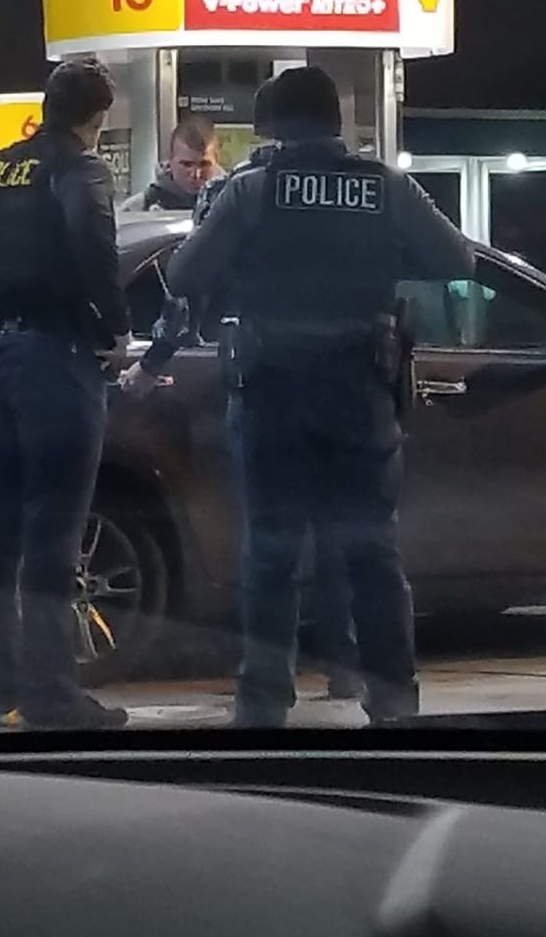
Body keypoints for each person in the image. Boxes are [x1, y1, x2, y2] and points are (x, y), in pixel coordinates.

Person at [165, 66, 472, 728]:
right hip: (358, 390)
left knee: (272, 552)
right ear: (336, 122)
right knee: (371, 549)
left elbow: (185, 272)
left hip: (272, 391)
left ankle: (264, 703)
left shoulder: (252, 190)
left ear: (273, 127)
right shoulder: (384, 186)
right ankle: (393, 698)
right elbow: (458, 261)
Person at [121, 77, 362, 701]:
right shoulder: (368, 187)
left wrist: (155, 364)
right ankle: (352, 667)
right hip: (350, 382)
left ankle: (269, 679)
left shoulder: (238, 195)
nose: (198, 173)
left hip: (267, 378)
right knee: (344, 533)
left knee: (272, 536)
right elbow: (445, 262)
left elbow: (186, 288)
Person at [0, 60, 132, 731]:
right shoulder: (79, 169)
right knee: (52, 536)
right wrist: (113, 329)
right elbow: (93, 243)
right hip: (55, 360)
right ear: (96, 118)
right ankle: (50, 695)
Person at [120, 115, 219, 212]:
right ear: (170, 159)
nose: (196, 175)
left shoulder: (231, 203)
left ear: (216, 160)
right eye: (186, 164)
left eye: (204, 164)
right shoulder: (138, 207)